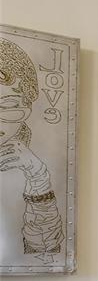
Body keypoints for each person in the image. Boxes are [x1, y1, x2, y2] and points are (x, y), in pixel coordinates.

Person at [0, 37, 64, 263]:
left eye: (7, 106)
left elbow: (44, 256)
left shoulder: (24, 162)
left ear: (26, 109)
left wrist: (38, 180)